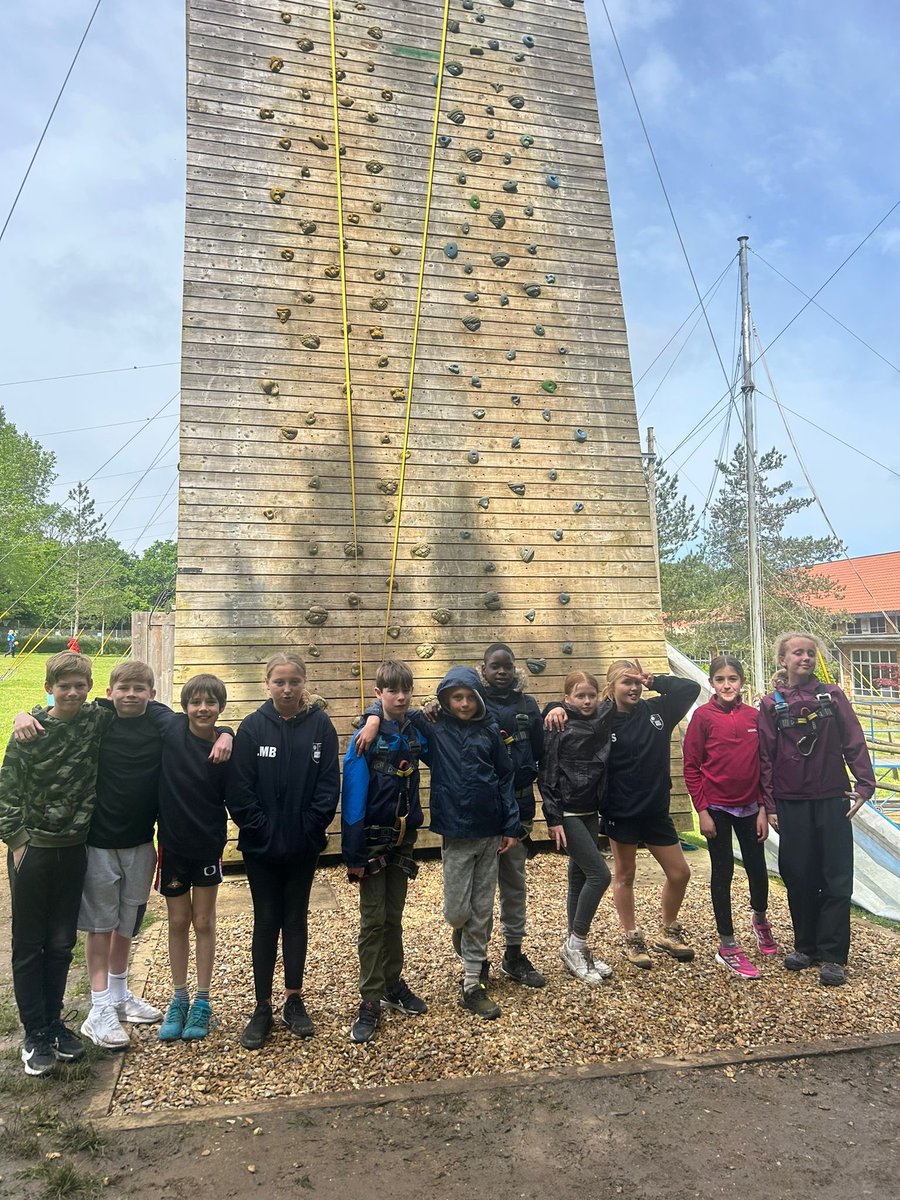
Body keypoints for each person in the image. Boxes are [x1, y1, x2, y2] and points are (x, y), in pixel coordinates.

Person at [14, 661, 232, 1051]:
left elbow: (200, 723)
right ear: (109, 692)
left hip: (141, 844)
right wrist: (22, 714)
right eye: (123, 688)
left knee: (127, 922)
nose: (131, 695)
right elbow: (58, 707)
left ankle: (118, 994)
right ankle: (98, 1008)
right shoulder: (96, 718)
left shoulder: (161, 721)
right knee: (100, 924)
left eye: (139, 689)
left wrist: (227, 732)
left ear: (151, 694)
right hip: (97, 841)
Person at [356, 666, 519, 1020]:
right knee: (458, 912)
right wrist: (370, 718)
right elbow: (394, 709)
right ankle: (463, 937)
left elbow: (505, 777)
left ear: (479, 698)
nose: (463, 704)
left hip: (490, 830)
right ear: (445, 699)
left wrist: (511, 824)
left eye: (469, 697)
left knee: (482, 909)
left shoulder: (490, 730)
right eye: (456, 698)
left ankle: (473, 982)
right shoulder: (433, 726)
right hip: (455, 831)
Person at [0, 651, 114, 1074]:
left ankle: (54, 1023)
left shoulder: (95, 720)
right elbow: (6, 790)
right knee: (30, 944)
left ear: (88, 688)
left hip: (74, 847)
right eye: (63, 685)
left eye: (78, 685)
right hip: (33, 850)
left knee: (63, 943)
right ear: (49, 688)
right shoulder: (30, 732)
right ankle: (34, 1034)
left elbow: (141, 705)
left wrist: (226, 729)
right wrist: (17, 841)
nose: (71, 692)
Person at [545, 660, 700, 968]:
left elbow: (691, 688)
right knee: (624, 874)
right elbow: (573, 705)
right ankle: (631, 936)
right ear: (611, 688)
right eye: (625, 682)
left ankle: (668, 930)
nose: (633, 688)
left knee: (680, 872)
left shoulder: (659, 711)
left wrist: (653, 680)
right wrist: (553, 706)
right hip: (622, 809)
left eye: (636, 683)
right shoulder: (603, 716)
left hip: (655, 808)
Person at [226, 652, 339, 1050]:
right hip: (261, 847)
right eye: (280, 682)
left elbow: (328, 784)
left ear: (304, 682)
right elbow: (239, 790)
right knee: (266, 919)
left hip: (304, 843)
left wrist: (309, 826)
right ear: (267, 684)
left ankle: (294, 998)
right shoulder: (253, 728)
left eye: (294, 681)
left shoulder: (320, 726)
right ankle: (262, 1006)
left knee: (295, 919)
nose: (287, 689)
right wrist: (261, 829)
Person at [758, 632, 875, 987]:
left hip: (831, 799)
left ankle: (834, 956)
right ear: (783, 660)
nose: (805, 658)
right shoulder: (770, 705)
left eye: (810, 653)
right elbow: (765, 756)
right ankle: (805, 946)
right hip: (791, 803)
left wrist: (864, 784)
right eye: (798, 653)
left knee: (836, 877)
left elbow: (853, 739)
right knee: (798, 875)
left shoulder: (832, 696)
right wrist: (769, 802)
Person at [341, 659, 429, 1044]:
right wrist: (354, 855)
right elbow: (353, 796)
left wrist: (429, 710)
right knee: (373, 921)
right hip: (371, 842)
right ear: (378, 694)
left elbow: (439, 734)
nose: (401, 696)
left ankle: (393, 984)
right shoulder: (365, 736)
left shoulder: (413, 732)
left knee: (394, 917)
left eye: (406, 690)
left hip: (402, 841)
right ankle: (370, 998)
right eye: (392, 691)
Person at [682, 656, 778, 979]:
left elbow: (765, 765)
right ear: (712, 683)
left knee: (757, 868)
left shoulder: (754, 717)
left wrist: (764, 807)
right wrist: (702, 810)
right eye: (720, 679)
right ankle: (727, 943)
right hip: (718, 811)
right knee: (722, 872)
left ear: (741, 682)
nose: (727, 685)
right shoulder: (702, 718)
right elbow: (691, 766)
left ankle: (760, 918)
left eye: (733, 679)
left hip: (751, 808)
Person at [156, 673, 231, 1042]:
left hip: (207, 846)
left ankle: (203, 1000)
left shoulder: (225, 748)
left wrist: (229, 733)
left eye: (210, 703)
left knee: (203, 921)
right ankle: (179, 997)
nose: (203, 709)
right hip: (171, 845)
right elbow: (122, 703)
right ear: (184, 706)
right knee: (177, 921)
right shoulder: (170, 729)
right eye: (195, 702)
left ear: (220, 707)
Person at [538, 670, 614, 984]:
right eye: (579, 696)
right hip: (568, 812)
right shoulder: (559, 724)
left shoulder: (602, 716)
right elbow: (547, 773)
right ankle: (576, 943)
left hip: (590, 809)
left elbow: (617, 692)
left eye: (590, 695)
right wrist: (553, 818)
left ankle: (576, 948)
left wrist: (641, 678)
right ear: (568, 699)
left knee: (579, 877)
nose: (586, 701)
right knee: (600, 874)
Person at [479, 643, 546, 987]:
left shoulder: (528, 705)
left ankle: (514, 953)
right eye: (495, 666)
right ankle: (477, 959)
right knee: (480, 890)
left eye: (507, 666)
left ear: (515, 668)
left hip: (520, 808)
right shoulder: (472, 702)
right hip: (483, 810)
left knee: (514, 884)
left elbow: (541, 753)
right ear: (484, 669)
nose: (502, 672)